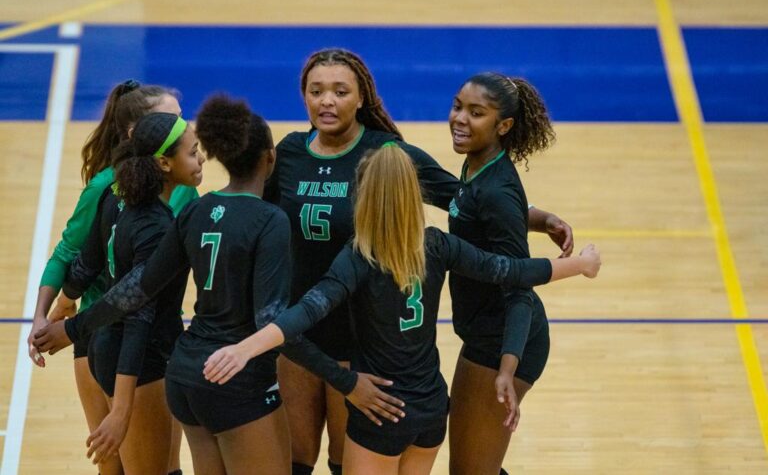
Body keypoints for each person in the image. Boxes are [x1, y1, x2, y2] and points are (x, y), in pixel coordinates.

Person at [36, 95, 404, 475]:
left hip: (186, 373)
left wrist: (74, 328)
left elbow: (136, 289)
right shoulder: (270, 220)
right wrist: (346, 382)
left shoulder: (194, 209)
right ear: (270, 158)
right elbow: (272, 322)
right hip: (236, 379)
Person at [264, 48, 574, 475]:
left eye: (340, 91)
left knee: (345, 461)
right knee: (293, 461)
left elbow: (461, 197)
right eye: (316, 91)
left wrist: (540, 219)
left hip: (357, 344)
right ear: (303, 97)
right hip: (299, 330)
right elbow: (258, 226)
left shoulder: (386, 152)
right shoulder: (290, 153)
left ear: (361, 98)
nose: (327, 101)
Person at [202, 145, 601, 475]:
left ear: (363, 195)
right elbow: (512, 270)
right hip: (430, 409)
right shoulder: (438, 245)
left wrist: (244, 348)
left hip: (381, 409)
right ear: (414, 194)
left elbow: (305, 311)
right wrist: (580, 265)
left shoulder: (359, 256)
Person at [28, 81, 195, 475]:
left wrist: (65, 316)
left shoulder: (160, 193)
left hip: (110, 340)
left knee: (127, 463)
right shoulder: (121, 197)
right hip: (130, 349)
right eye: (172, 124)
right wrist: (57, 317)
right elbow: (81, 261)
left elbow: (85, 265)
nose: (190, 139)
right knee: (141, 466)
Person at [447, 72, 564, 475]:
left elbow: (519, 287)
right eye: (458, 106)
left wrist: (507, 370)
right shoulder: (478, 167)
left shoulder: (495, 188)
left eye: (476, 113)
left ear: (504, 126)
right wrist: (542, 217)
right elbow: (476, 209)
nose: (460, 119)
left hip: (506, 339)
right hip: (485, 332)